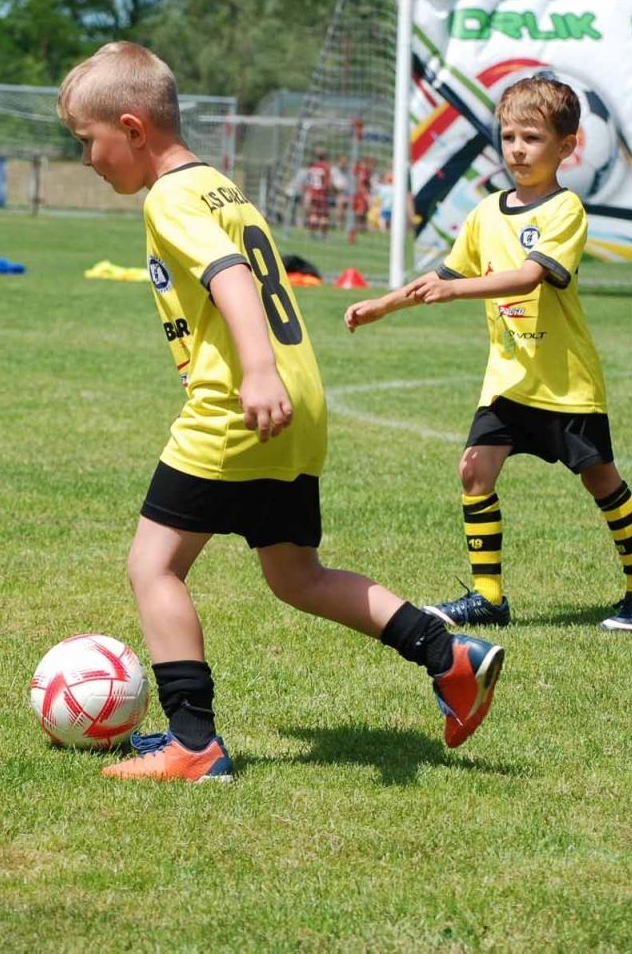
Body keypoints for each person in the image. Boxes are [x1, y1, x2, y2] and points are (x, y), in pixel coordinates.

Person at [57, 41, 504, 784]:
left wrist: (255, 370)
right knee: (295, 573)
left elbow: (230, 274)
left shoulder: (170, 197)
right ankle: (446, 651)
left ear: (133, 129)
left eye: (88, 142)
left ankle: (192, 742)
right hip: (299, 403)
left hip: (240, 403)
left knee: (153, 565)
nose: (87, 159)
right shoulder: (219, 186)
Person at [344, 75, 632, 633]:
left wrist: (457, 289)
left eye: (533, 138)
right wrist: (385, 304)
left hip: (564, 383)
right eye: (509, 136)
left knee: (602, 481)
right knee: (475, 471)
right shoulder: (486, 213)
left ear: (566, 147)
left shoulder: (565, 211)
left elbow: (526, 279)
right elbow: (445, 273)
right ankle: (489, 597)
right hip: (508, 381)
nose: (517, 149)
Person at [302, 148, 336, 238]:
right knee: (324, 215)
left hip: (313, 193)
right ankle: (324, 234)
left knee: (314, 214)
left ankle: (311, 233)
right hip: (322, 193)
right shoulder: (326, 167)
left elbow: (308, 181)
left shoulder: (312, 166)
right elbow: (328, 182)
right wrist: (332, 190)